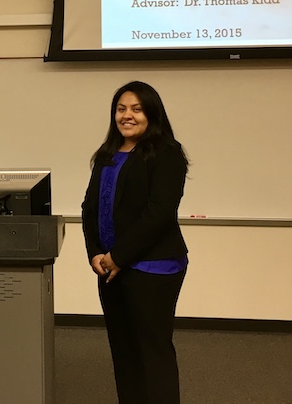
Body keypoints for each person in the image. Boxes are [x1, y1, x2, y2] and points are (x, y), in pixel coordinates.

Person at [81, 81, 189, 403]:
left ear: (151, 114)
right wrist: (96, 253)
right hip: (110, 269)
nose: (127, 116)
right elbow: (89, 207)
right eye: (121, 109)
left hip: (153, 268)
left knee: (151, 352)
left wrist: (119, 257)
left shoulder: (167, 153)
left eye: (136, 109)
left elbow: (159, 214)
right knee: (124, 352)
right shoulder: (107, 155)